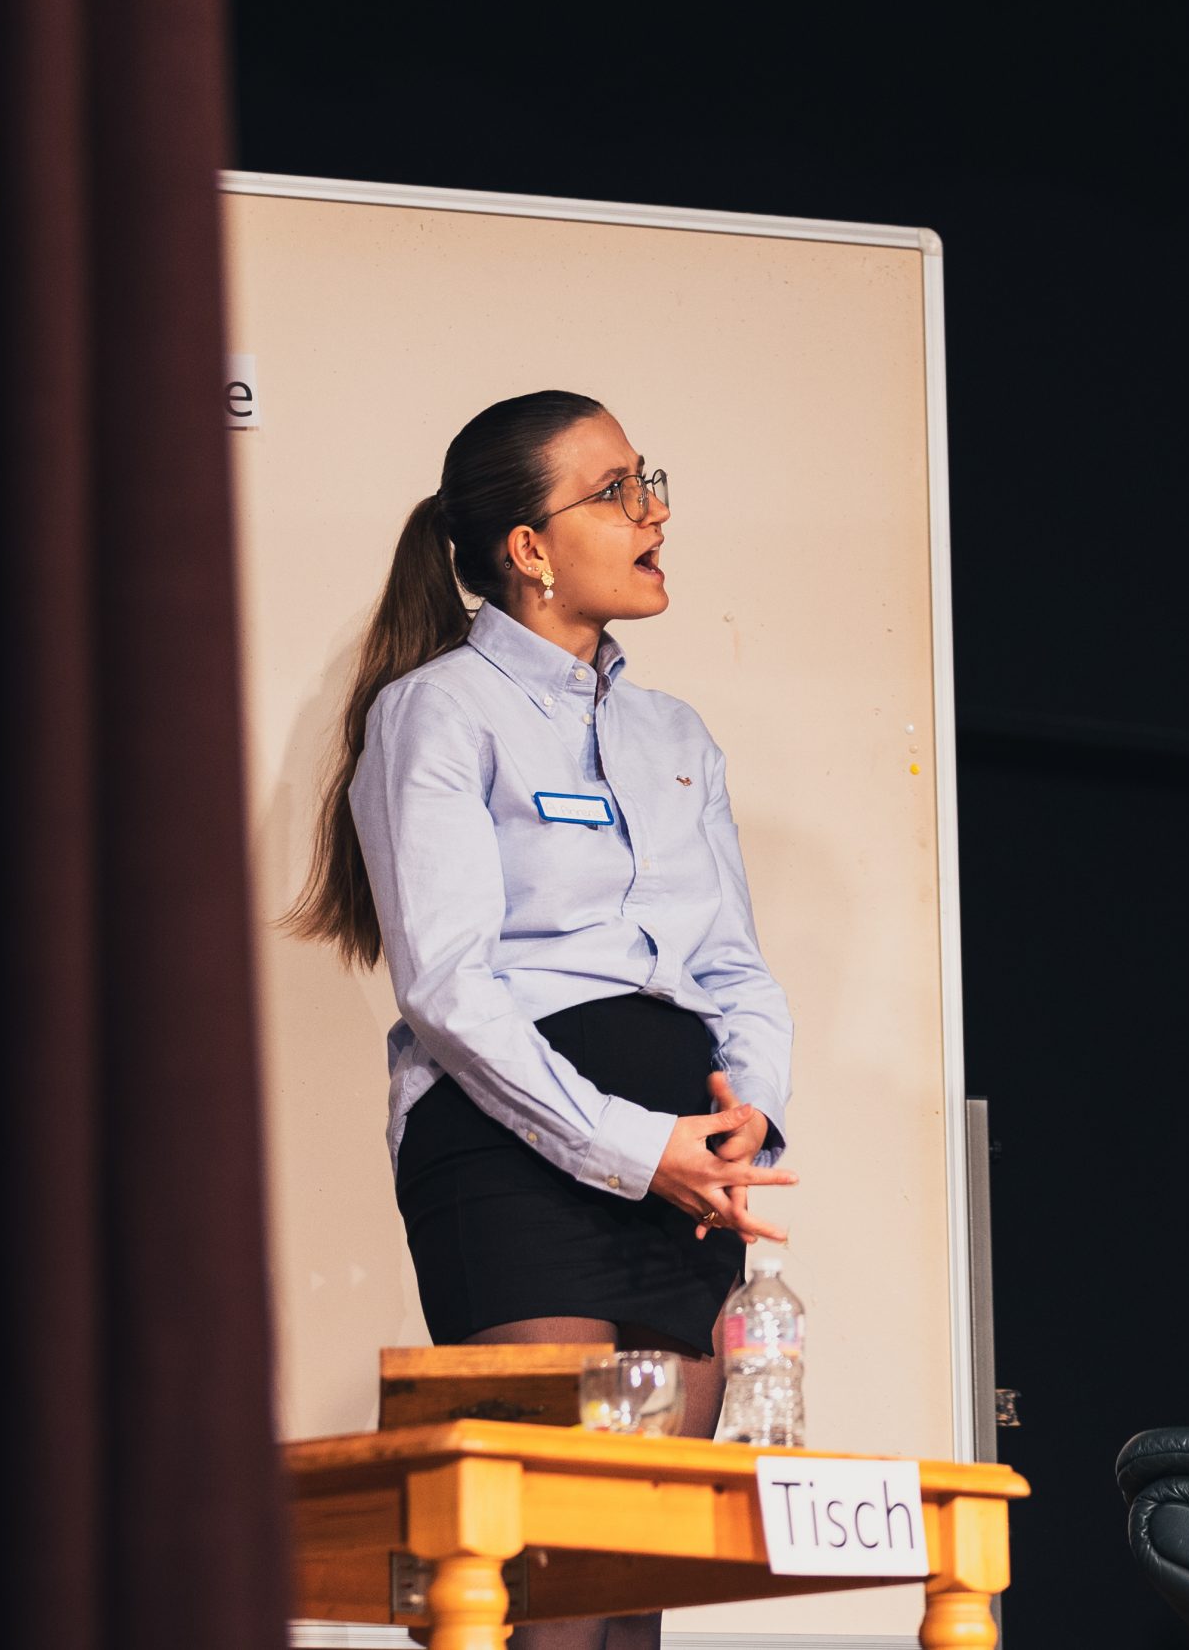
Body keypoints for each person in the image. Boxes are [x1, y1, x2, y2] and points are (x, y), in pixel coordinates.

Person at [287, 390, 797, 1650]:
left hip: (683, 1175)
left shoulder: (676, 733)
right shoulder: (437, 709)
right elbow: (448, 986)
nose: (654, 512)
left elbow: (734, 967)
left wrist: (748, 1118)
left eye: (648, 480)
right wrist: (635, 1146)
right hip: (513, 1156)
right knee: (545, 1588)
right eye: (617, 491)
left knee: (633, 1588)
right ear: (528, 547)